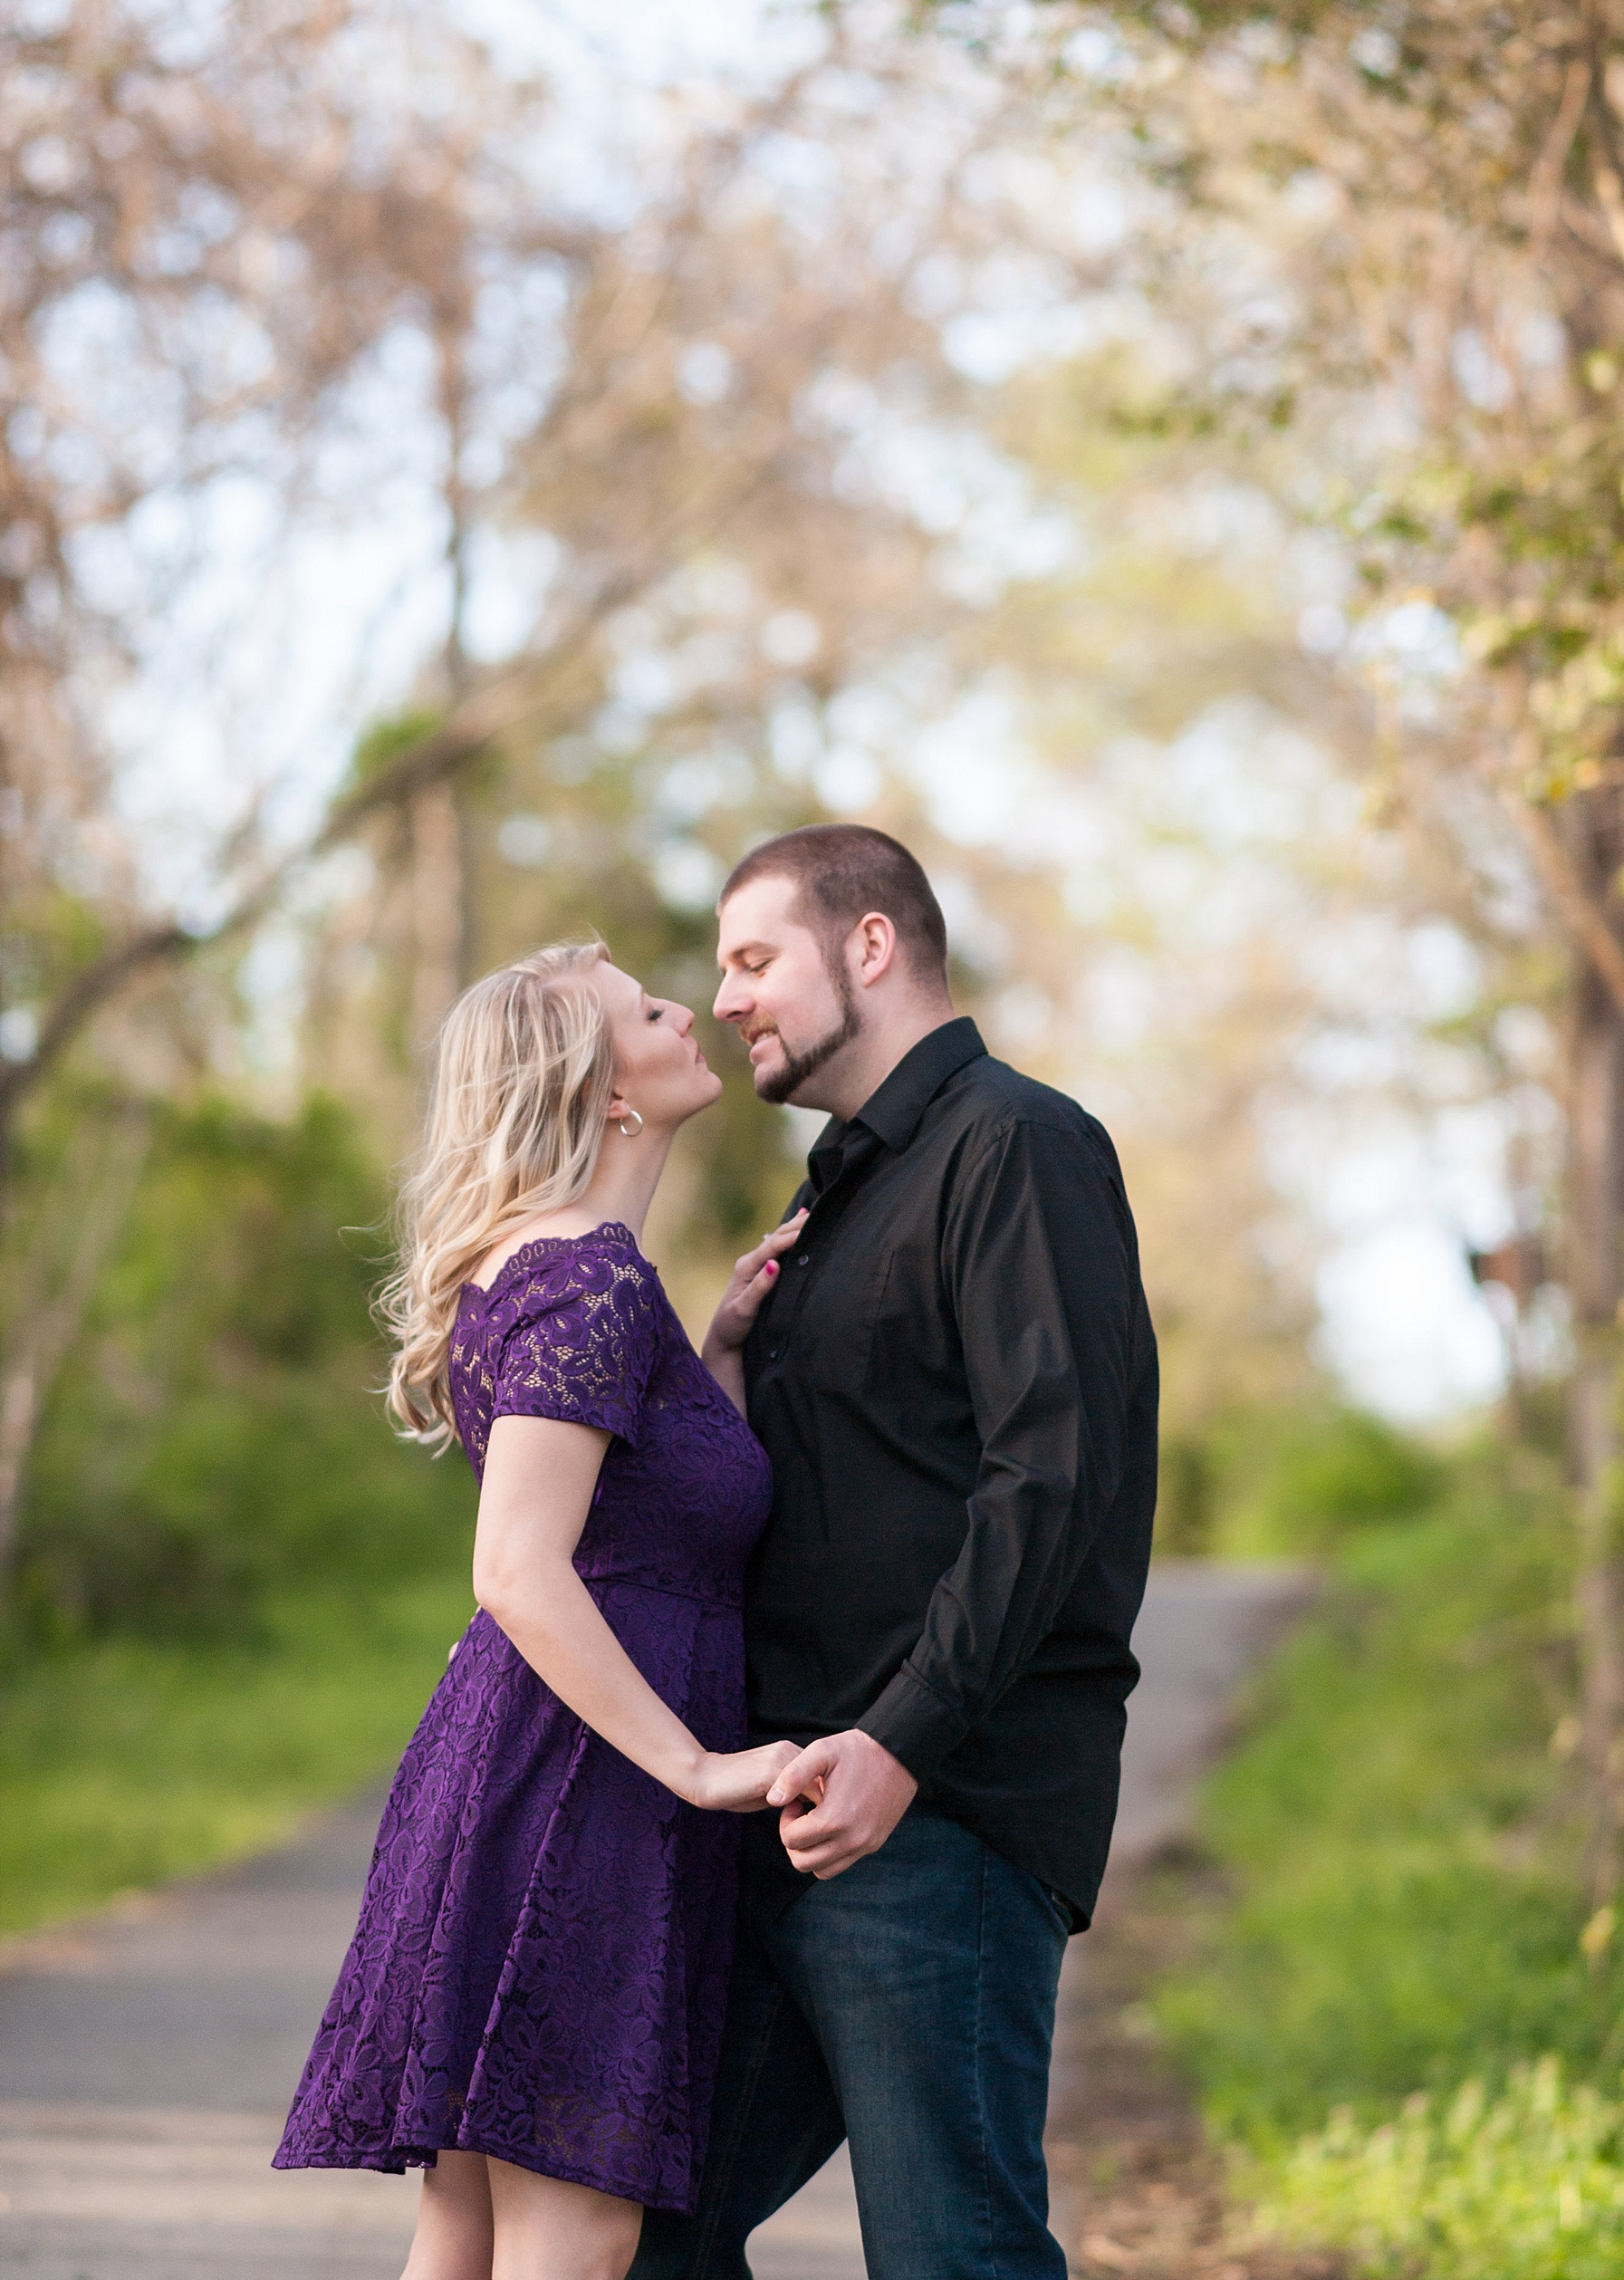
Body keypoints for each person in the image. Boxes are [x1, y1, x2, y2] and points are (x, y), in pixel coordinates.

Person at [631, 824, 1159, 2280]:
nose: (727, 997)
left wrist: (902, 1743)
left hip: (938, 1823)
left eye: (755, 958)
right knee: (637, 2243)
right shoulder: (831, 1193)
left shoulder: (1021, 1145)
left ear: (871, 945)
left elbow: (1050, 1480)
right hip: (775, 1816)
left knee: (952, 2260)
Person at [274, 942, 808, 2280]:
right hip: (586, 1793)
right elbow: (515, 1564)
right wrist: (695, 1765)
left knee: (466, 2228)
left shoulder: (570, 1272)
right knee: (573, 2228)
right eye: (645, 1011)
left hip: (529, 1771)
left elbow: (649, 1527)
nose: (688, 1011)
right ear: (602, 1089)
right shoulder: (589, 1280)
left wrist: (720, 1356)